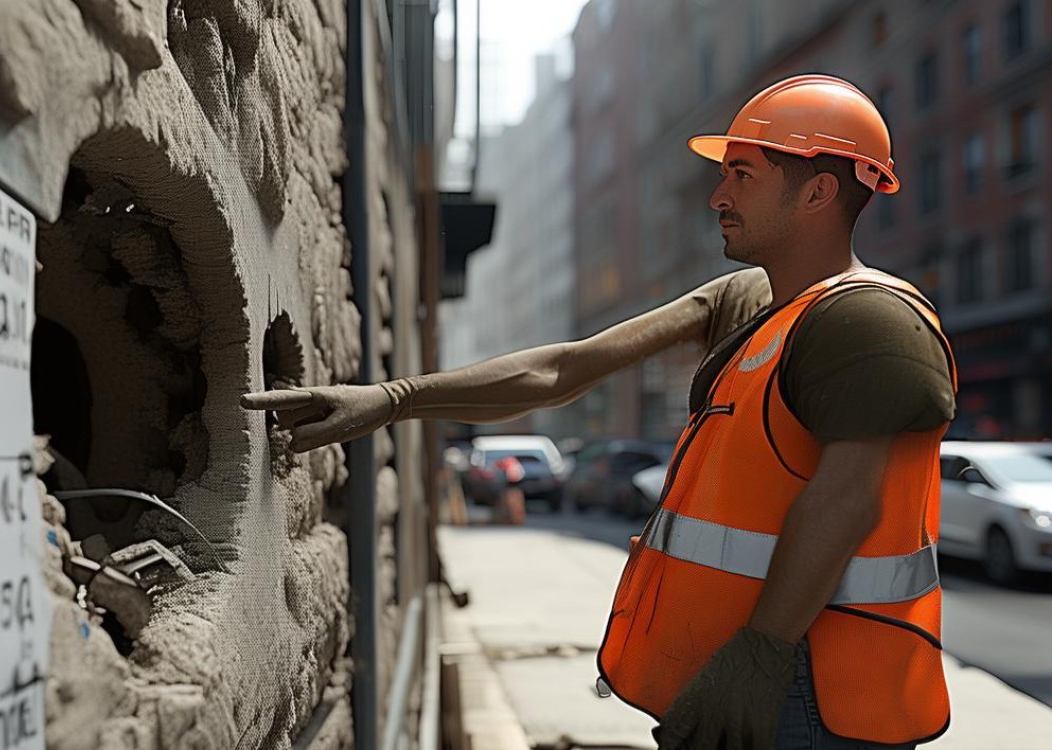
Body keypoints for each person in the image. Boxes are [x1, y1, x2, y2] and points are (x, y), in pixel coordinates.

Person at [242, 74, 956, 750]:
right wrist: (390, 400)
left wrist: (760, 656)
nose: (717, 196)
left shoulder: (872, 322)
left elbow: (849, 500)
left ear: (818, 192)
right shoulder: (750, 302)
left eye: (742, 174)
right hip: (745, 671)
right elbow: (564, 368)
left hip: (809, 696)